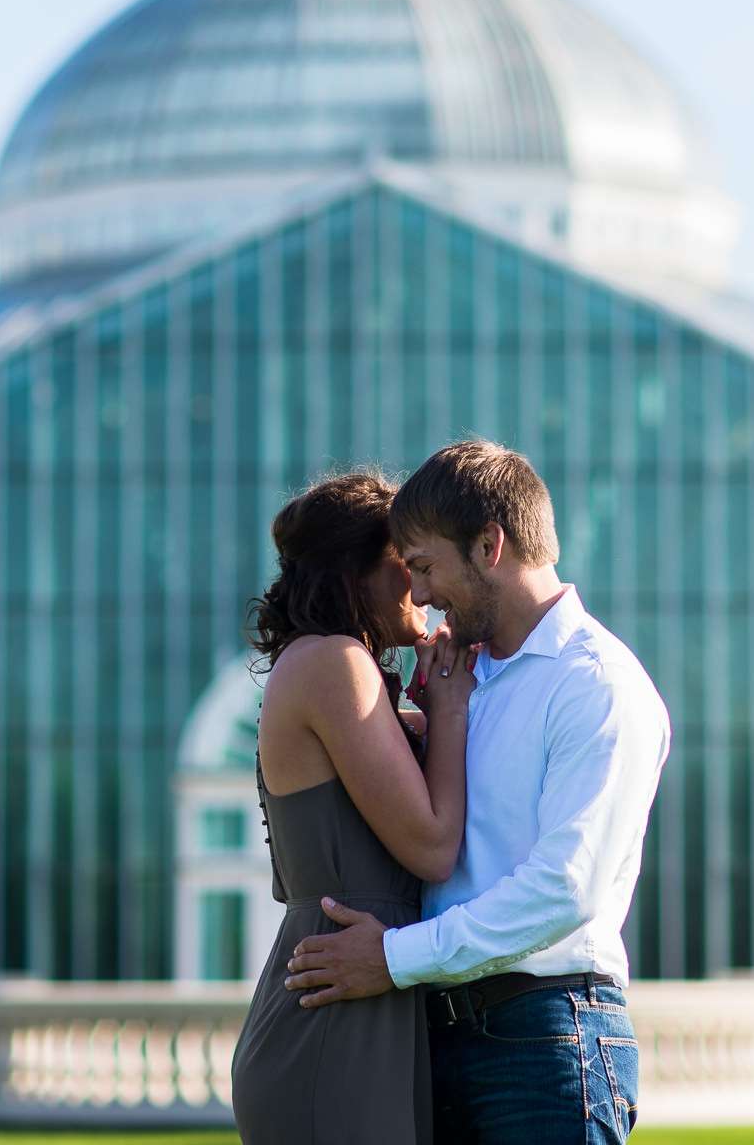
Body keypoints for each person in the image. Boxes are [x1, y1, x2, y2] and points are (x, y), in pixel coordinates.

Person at [283, 441, 672, 1145]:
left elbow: (564, 889)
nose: (421, 596)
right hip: (430, 1040)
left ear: (489, 546)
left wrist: (394, 957)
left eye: (426, 567)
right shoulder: (455, 682)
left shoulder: (596, 686)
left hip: (546, 1040)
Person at [229, 471, 476, 1145]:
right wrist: (449, 712)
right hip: (332, 1012)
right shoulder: (332, 663)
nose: (424, 589)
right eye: (409, 564)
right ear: (357, 571)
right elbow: (430, 846)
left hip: (367, 995)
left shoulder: (338, 664)